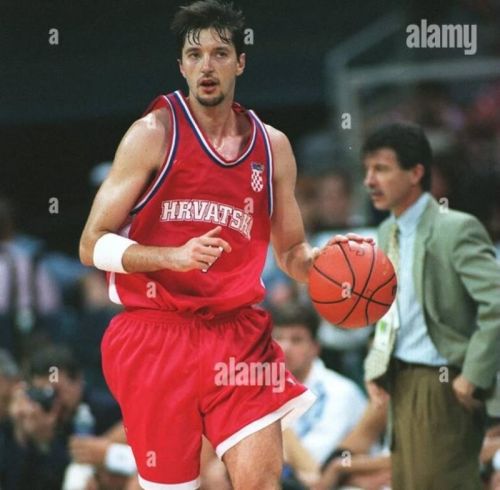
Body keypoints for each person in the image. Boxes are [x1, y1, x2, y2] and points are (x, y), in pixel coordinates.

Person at [79, 2, 372, 489]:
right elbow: (91, 245)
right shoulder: (153, 134)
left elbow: (291, 254)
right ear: (181, 66)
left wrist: (323, 263)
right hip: (157, 335)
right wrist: (171, 257)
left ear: (240, 62)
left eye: (219, 53)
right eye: (195, 55)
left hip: (238, 337)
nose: (207, 66)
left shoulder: (272, 146)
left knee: (261, 481)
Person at [362, 122, 500, 489]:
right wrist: (376, 363)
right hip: (399, 381)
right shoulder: (385, 232)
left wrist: (473, 375)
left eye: (381, 169)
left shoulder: (455, 228)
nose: (369, 180)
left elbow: (497, 304)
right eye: (367, 170)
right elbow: (390, 310)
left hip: (442, 382)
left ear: (416, 173)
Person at [271, 303, 367, 467]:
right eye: (278, 338)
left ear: (315, 348)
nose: (285, 348)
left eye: (296, 340)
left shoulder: (340, 392)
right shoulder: (260, 386)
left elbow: (314, 467)